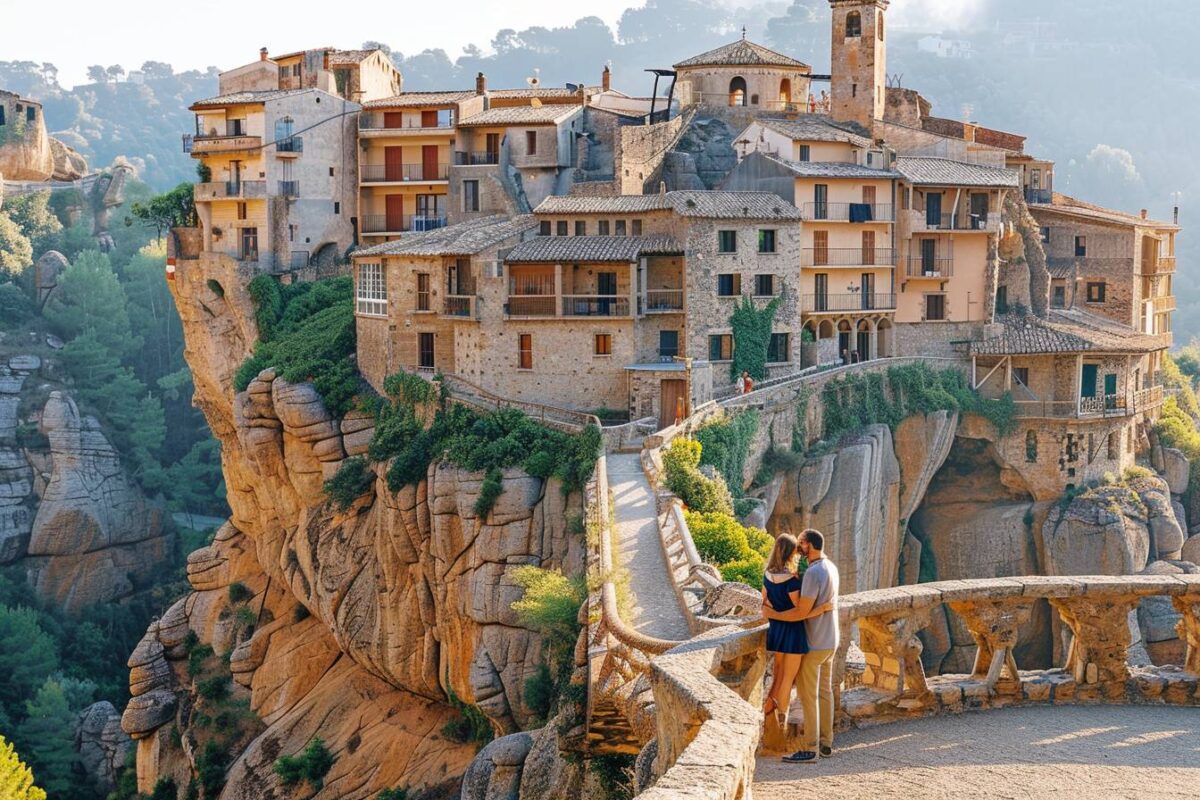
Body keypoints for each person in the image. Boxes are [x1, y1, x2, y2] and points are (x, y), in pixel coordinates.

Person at [760, 534, 833, 725]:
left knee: (779, 673)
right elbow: (799, 611)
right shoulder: (791, 581)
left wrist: (774, 613)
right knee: (787, 678)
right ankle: (781, 719)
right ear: (789, 553)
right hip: (792, 631)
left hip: (776, 631)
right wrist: (822, 608)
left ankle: (769, 713)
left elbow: (765, 603)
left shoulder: (767, 575)